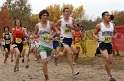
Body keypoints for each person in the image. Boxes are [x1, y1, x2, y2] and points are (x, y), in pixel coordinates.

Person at [55, 7, 79, 76]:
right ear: (63, 13)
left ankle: (56, 57)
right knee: (70, 53)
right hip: (63, 38)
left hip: (70, 39)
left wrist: (71, 28)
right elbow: (55, 26)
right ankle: (73, 70)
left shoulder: (72, 20)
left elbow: (77, 28)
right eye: (66, 11)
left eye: (69, 11)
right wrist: (58, 31)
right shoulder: (61, 21)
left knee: (63, 54)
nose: (68, 12)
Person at [93, 11, 116, 81]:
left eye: (109, 15)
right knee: (107, 58)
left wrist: (115, 36)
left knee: (110, 61)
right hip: (102, 43)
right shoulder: (99, 25)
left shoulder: (113, 25)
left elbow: (116, 33)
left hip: (109, 44)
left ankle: (99, 52)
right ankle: (110, 76)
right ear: (103, 17)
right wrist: (95, 37)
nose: (109, 16)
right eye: (107, 15)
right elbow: (94, 33)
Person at [34, 9, 56, 81]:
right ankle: (47, 78)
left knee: (46, 61)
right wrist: (36, 36)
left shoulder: (51, 24)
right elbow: (35, 34)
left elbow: (55, 31)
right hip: (41, 45)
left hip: (49, 46)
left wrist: (52, 36)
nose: (45, 17)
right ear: (40, 16)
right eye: (43, 15)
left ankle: (44, 67)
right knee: (44, 61)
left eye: (46, 15)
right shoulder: (37, 25)